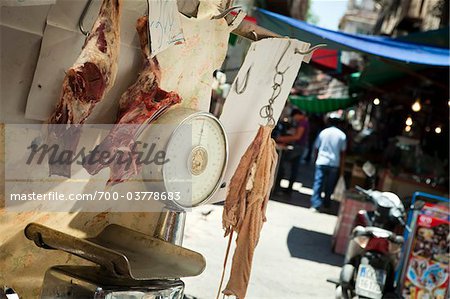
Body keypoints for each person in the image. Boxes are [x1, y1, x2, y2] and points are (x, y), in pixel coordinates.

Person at [310, 117, 346, 212]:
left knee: (318, 183)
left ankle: (315, 205)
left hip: (321, 161)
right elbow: (343, 153)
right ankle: (326, 205)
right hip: (334, 163)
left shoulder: (323, 132)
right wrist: (342, 168)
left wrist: (315, 159)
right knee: (329, 186)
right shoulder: (342, 135)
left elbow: (316, 147)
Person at [275, 109, 309, 193]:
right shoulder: (304, 121)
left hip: (298, 147)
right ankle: (288, 189)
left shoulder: (302, 122)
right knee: (294, 168)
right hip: (300, 147)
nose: (295, 119)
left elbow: (297, 137)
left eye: (294, 117)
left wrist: (281, 139)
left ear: (298, 114)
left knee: (282, 165)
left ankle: (280, 188)